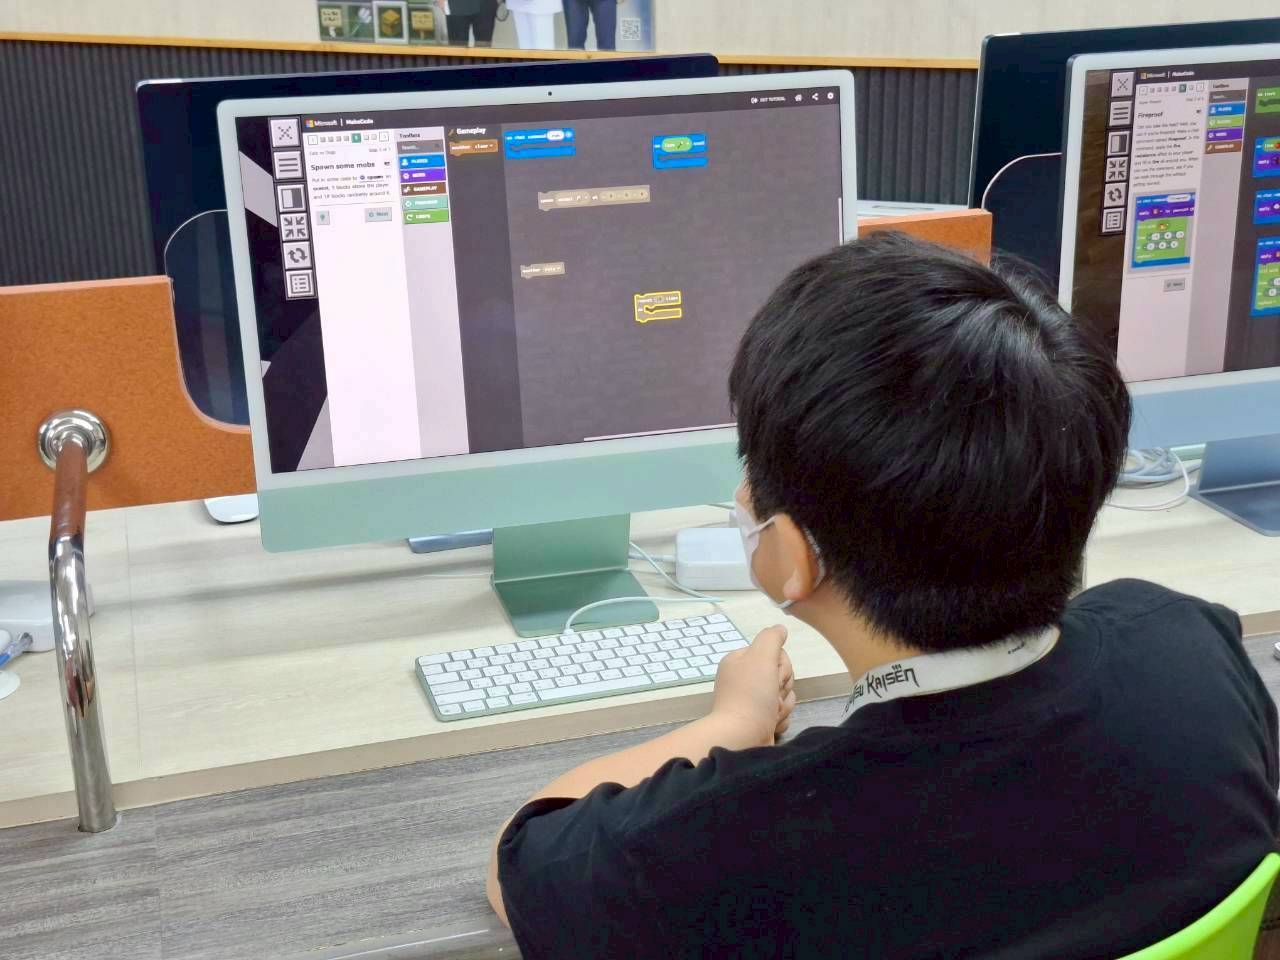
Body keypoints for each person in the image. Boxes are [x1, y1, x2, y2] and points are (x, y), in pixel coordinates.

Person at [486, 232, 1280, 958]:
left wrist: (731, 723)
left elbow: (520, 864)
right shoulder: (1191, 644)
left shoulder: (745, 836)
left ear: (792, 557)